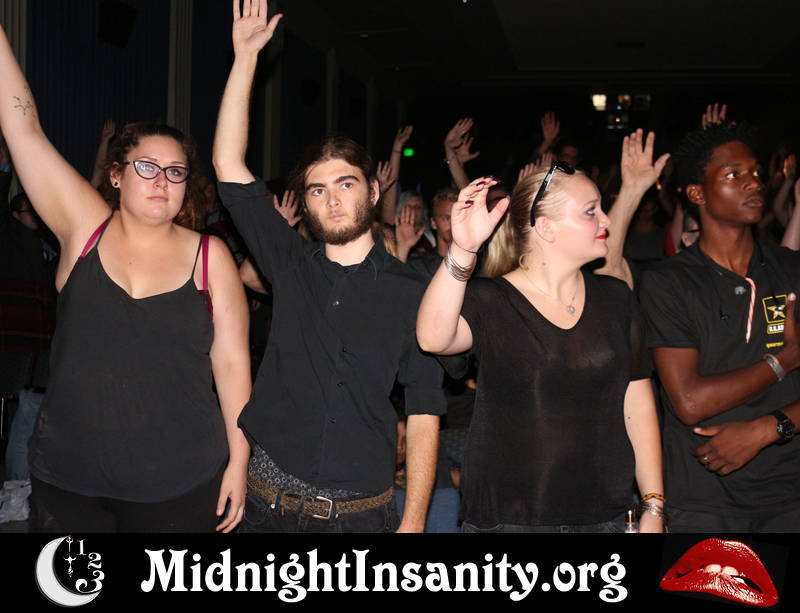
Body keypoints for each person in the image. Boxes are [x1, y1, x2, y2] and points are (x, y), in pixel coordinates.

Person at [0, 25, 250, 532]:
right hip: (70, 479)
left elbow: (231, 365)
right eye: (146, 167)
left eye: (175, 171)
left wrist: (240, 461)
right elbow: (24, 130)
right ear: (115, 174)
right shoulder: (84, 230)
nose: (162, 180)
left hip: (180, 481)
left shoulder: (211, 257)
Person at [213, 0, 444, 533]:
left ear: (374, 190)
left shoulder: (415, 289)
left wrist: (414, 523)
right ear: (306, 202)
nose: (333, 199)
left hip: (360, 518)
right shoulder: (290, 264)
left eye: (346, 184)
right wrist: (245, 59)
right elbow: (228, 164)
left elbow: (425, 412)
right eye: (318, 190)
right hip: (267, 507)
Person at [416, 164, 664, 533]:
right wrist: (463, 249)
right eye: (591, 211)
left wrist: (654, 506)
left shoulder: (616, 298)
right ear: (546, 228)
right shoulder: (492, 300)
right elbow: (432, 338)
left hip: (604, 517)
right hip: (508, 522)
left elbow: (638, 406)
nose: (606, 220)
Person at [639, 122, 800, 532]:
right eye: (734, 174)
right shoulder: (668, 282)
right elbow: (690, 401)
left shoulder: (791, 270)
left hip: (790, 493)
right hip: (704, 498)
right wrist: (784, 360)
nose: (754, 183)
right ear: (697, 194)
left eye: (757, 173)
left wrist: (770, 427)